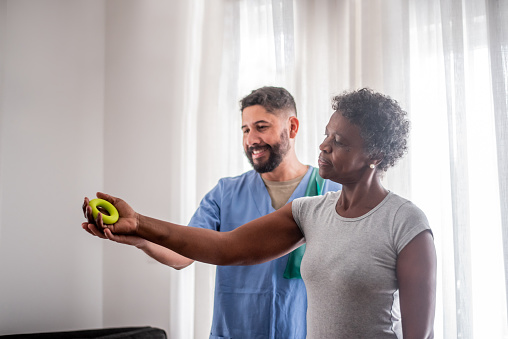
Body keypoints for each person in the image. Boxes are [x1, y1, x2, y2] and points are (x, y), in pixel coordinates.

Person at [83, 88, 436, 338]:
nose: (323, 145)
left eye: (339, 141)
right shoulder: (309, 211)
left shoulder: (404, 223)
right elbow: (226, 248)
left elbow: (420, 334)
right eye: (327, 136)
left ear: (374, 154)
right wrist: (140, 226)